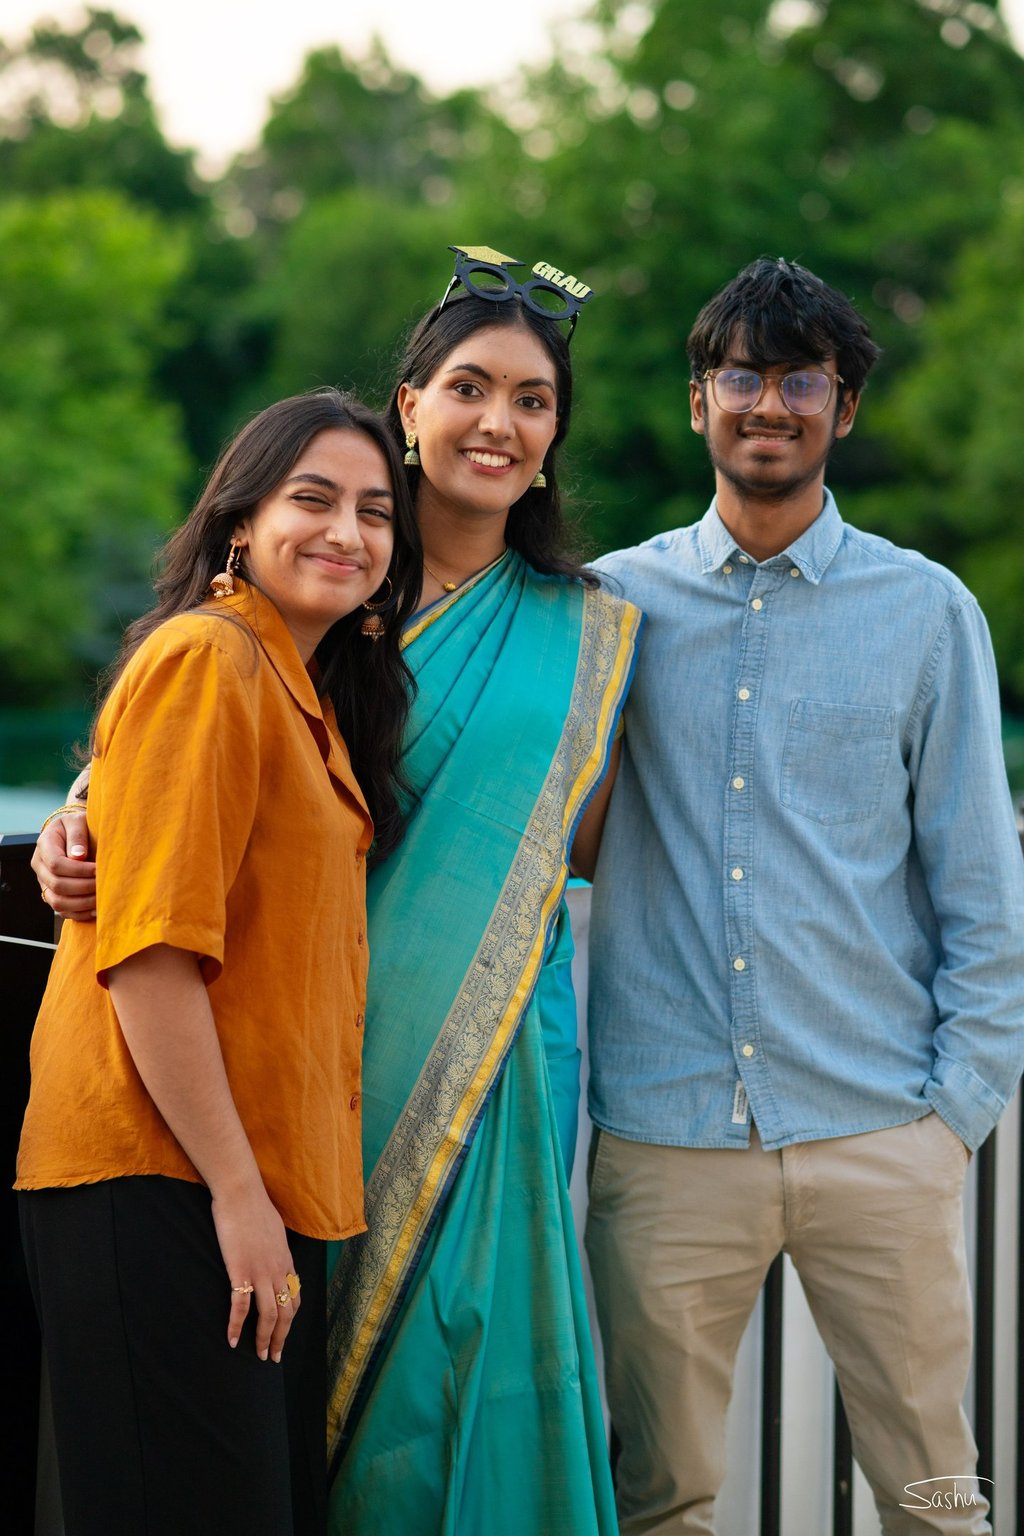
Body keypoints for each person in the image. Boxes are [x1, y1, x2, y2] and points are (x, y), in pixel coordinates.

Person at [32, 246, 643, 1536]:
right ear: (409, 405)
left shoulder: (580, 629)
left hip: (477, 1076)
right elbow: (175, 769)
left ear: (555, 437)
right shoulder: (316, 602)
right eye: (468, 386)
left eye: (533, 399)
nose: (497, 421)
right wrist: (78, 818)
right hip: (226, 1119)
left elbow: (579, 842)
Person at [577, 258, 1024, 1535]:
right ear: (697, 400)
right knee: (659, 1501)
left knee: (936, 1498)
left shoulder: (927, 612)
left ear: (843, 406)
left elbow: (982, 890)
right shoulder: (609, 603)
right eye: (741, 377)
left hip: (879, 1127)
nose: (767, 404)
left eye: (800, 381)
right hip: (665, 1135)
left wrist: (952, 1116)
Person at [16, 388, 421, 1536]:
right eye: (313, 499)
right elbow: (150, 958)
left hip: (237, 1187)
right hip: (167, 1179)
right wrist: (238, 1199)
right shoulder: (210, 658)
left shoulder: (301, 691)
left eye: (375, 512)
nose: (346, 531)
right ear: (240, 521)